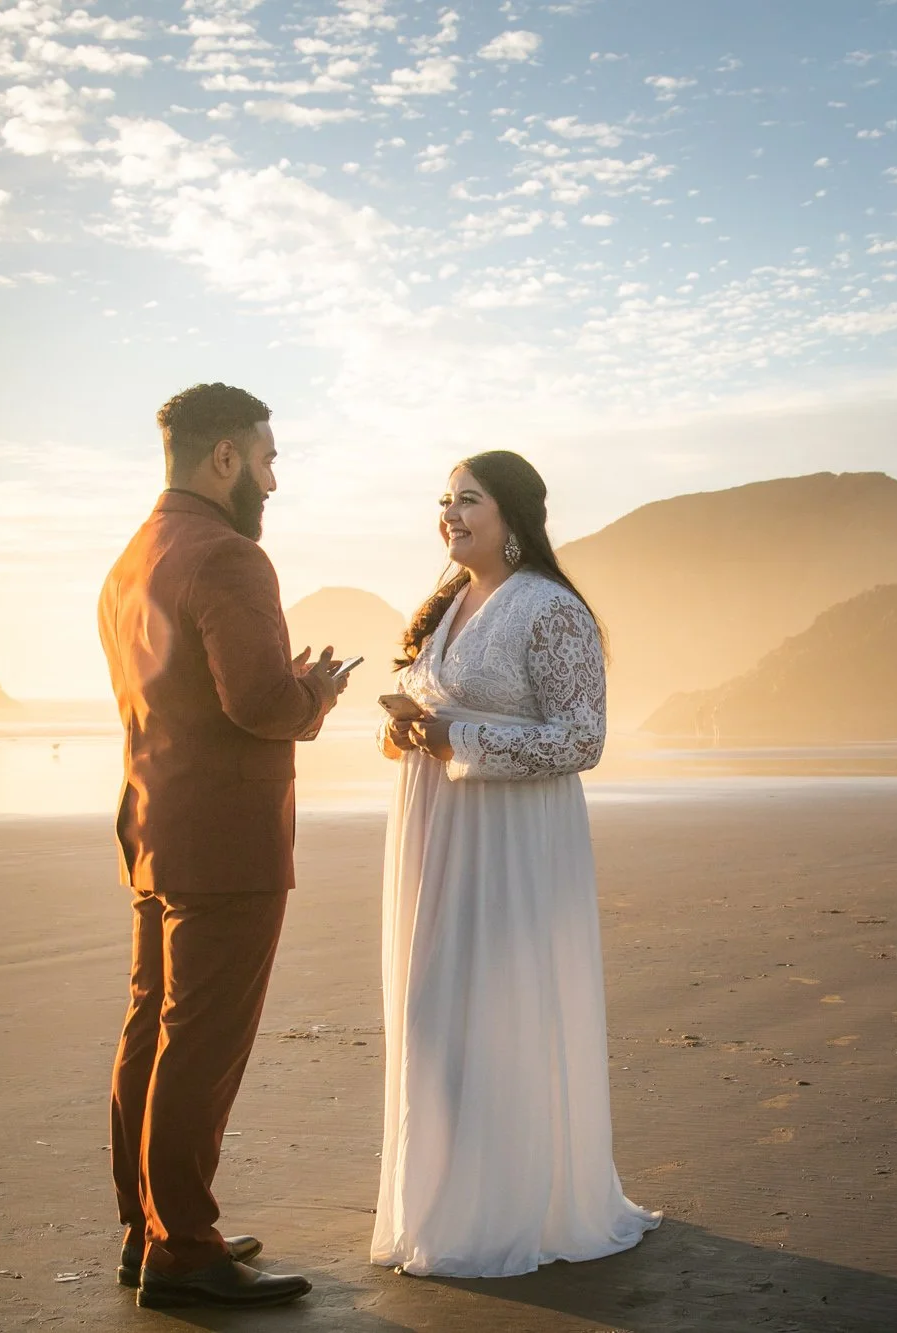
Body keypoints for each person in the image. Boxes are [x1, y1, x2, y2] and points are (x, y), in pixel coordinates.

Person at [372, 450, 662, 1277]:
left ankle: (508, 1210)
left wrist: (457, 738)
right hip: (436, 836)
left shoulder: (550, 608)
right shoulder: (447, 603)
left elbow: (582, 738)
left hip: (513, 845)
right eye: (444, 500)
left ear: (514, 515)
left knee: (497, 1013)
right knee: (433, 1016)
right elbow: (435, 709)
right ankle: (439, 1201)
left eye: (469, 500)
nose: (450, 514)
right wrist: (406, 731)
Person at [97, 382, 351, 1310]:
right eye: (268, 457)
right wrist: (312, 694)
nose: (275, 479)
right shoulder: (232, 557)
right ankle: (186, 1249)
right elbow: (256, 705)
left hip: (153, 826)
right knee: (201, 1045)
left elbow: (187, 695)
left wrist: (280, 688)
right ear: (225, 458)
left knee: (150, 1030)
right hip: (226, 841)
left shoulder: (131, 560)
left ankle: (147, 1227)